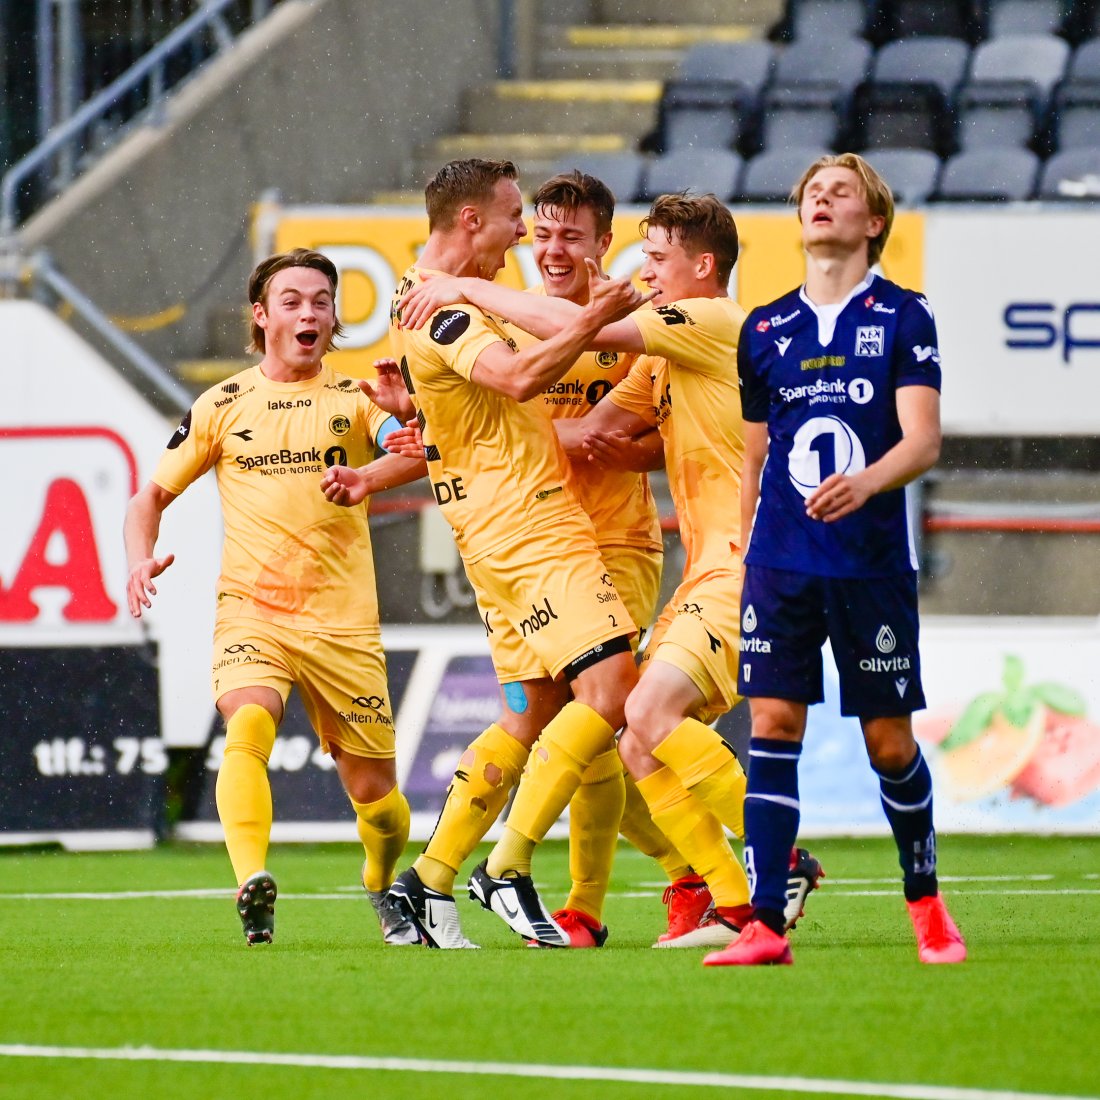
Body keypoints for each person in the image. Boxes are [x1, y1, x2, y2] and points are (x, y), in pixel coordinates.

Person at [399, 191, 823, 951]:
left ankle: (767, 864)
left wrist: (461, 286)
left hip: (742, 564)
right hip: (671, 564)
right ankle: (723, 897)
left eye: (656, 259)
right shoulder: (661, 352)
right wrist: (442, 433)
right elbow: (587, 429)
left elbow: (582, 332)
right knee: (627, 732)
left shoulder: (707, 322)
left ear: (702, 264)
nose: (646, 271)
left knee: (625, 712)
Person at [703, 153, 966, 966]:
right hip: (780, 562)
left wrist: (866, 483)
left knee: (889, 743)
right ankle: (766, 926)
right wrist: (743, 545)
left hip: (868, 563)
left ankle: (924, 898)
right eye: (812, 192)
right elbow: (754, 457)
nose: (821, 200)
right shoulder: (764, 328)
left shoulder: (903, 316)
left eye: (839, 192)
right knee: (773, 725)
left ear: (872, 222)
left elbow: (922, 440)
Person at [378, 158, 646, 949]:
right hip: (530, 528)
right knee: (613, 691)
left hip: (494, 536)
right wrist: (594, 317)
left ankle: (426, 882)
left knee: (530, 714)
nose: (524, 233)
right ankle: (511, 867)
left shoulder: (428, 297)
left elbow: (467, 409)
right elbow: (519, 377)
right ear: (470, 221)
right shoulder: (440, 309)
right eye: (512, 217)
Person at [124, 248, 425, 947]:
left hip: (343, 622)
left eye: (321, 300)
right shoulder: (224, 404)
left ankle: (380, 879)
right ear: (262, 316)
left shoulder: (355, 400)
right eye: (292, 300)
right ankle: (250, 882)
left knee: (377, 801)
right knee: (248, 728)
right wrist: (140, 560)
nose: (309, 312)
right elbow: (150, 495)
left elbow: (413, 449)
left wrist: (377, 467)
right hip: (253, 610)